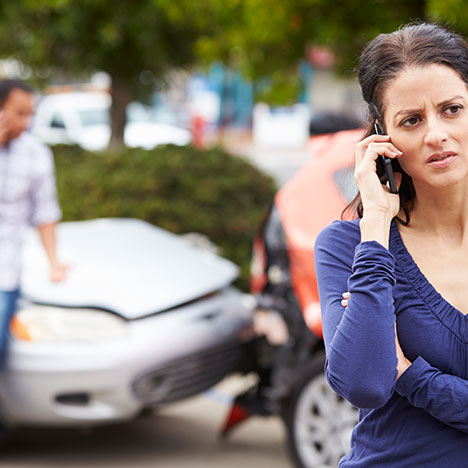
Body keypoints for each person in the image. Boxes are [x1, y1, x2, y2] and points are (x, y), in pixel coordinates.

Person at [315, 22, 468, 467]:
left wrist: (413, 376)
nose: (436, 134)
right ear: (384, 136)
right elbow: (364, 382)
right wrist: (377, 223)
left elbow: (393, 376)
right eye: (412, 120)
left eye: (452, 109)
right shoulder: (348, 245)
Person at [0, 78, 67, 361]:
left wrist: (54, 262)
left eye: (30, 114)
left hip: (6, 271)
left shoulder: (36, 153)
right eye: (19, 113)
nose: (26, 123)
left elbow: (45, 212)